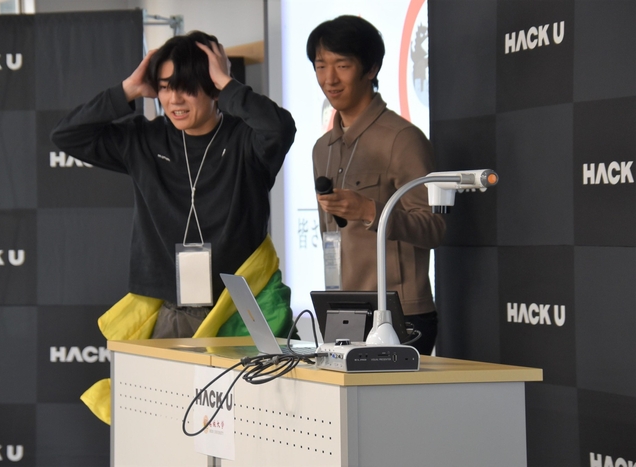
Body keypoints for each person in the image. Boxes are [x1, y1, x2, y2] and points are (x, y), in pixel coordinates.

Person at [52, 31, 297, 340]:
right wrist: (128, 89)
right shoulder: (145, 140)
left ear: (213, 88)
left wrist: (227, 82)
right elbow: (67, 135)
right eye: (166, 87)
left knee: (259, 373)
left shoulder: (246, 140)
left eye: (187, 88)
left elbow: (280, 128)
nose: (174, 100)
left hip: (243, 306)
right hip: (172, 309)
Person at [307, 16, 445, 355]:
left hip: (400, 312)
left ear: (371, 69)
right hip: (341, 308)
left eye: (342, 65)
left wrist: (370, 211)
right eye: (321, 66)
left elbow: (435, 228)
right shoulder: (322, 148)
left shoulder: (402, 138)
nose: (329, 79)